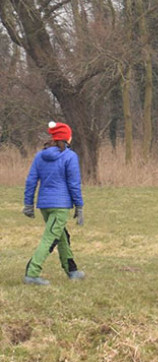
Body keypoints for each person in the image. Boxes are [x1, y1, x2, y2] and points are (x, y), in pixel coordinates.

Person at [22, 121, 85, 285]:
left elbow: (31, 181)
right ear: (66, 139)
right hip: (60, 206)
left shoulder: (39, 156)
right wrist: (79, 206)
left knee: (61, 236)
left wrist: (28, 203)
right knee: (50, 238)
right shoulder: (70, 156)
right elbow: (74, 183)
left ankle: (72, 270)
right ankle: (32, 273)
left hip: (45, 205)